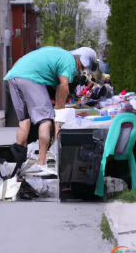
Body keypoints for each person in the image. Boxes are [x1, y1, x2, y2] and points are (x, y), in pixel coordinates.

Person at [5, 46, 96, 174]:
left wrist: (59, 109)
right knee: (46, 120)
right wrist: (59, 113)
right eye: (82, 66)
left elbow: (59, 88)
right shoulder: (70, 60)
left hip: (13, 75)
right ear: (79, 58)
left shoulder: (59, 55)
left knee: (25, 121)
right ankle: (41, 164)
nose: (81, 69)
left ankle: (17, 163)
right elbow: (64, 84)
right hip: (30, 77)